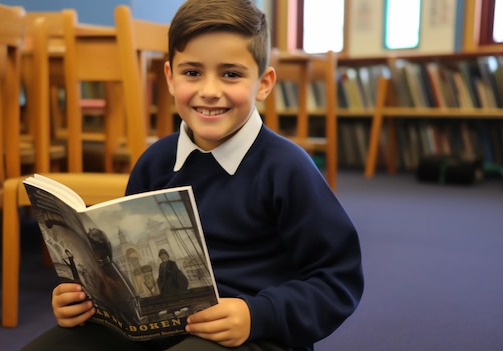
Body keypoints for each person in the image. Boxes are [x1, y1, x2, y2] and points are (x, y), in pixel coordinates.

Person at [21, 0, 363, 350]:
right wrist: (84, 298)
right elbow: (124, 268)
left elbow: (337, 280)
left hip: (253, 334)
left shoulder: (287, 168)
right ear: (170, 78)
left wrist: (257, 314)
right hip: (154, 328)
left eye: (231, 73)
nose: (210, 90)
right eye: (192, 72)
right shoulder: (155, 162)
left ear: (263, 84)